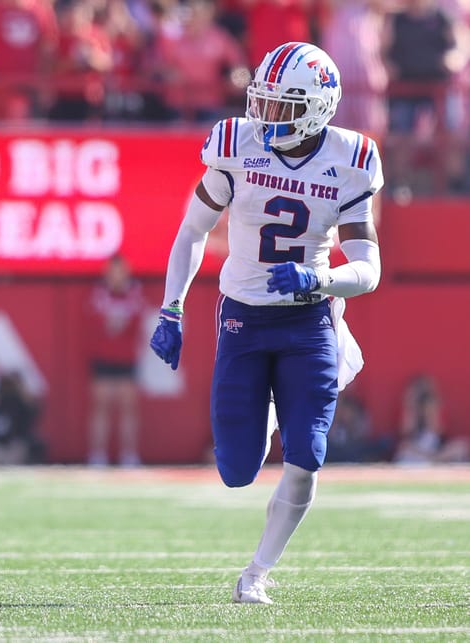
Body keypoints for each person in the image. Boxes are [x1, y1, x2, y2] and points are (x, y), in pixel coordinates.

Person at [150, 42, 383, 604]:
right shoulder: (236, 144)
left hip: (310, 324)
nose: (264, 117)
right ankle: (272, 412)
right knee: (235, 469)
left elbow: (369, 269)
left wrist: (318, 279)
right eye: (262, 101)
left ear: (317, 108)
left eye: (280, 106)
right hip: (244, 321)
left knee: (307, 454)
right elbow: (192, 232)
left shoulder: (351, 159)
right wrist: (171, 306)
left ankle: (256, 572)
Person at [85, 254, 146, 467]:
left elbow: (135, 322)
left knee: (128, 408)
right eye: (113, 272)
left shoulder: (135, 293)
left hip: (126, 359)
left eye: (121, 271)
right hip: (103, 358)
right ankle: (97, 456)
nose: (117, 276)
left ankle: (129, 455)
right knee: (101, 406)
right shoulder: (99, 294)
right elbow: (96, 324)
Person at [393, 374, 469, 464]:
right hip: (417, 451)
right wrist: (411, 405)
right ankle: (433, 460)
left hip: (434, 451)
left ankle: (434, 460)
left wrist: (431, 411)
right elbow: (406, 434)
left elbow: (438, 433)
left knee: (461, 446)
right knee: (405, 448)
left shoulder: (435, 408)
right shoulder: (410, 409)